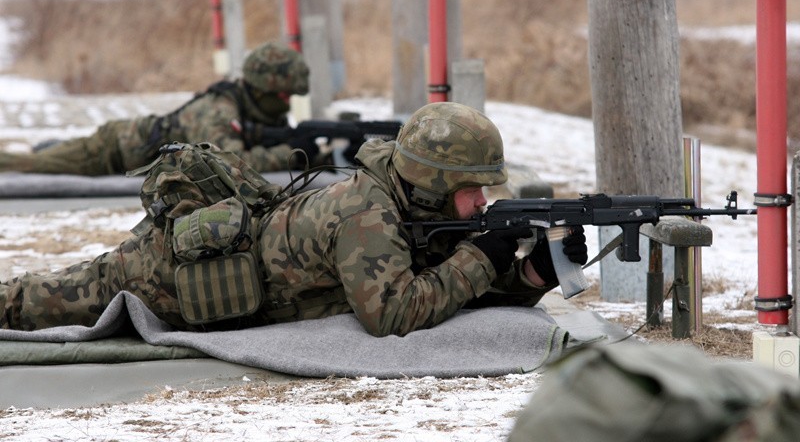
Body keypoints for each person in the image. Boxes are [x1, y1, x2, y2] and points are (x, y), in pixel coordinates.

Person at [0, 102, 588, 337]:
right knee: (39, 300)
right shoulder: (369, 212)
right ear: (436, 182)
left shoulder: (413, 204)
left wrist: (532, 275)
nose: (484, 202)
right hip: (168, 278)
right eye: (474, 189)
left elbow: (443, 285)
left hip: (226, 276)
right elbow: (394, 313)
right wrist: (480, 258)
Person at [0, 41, 317, 175]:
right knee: (33, 164)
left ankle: (50, 147)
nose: (286, 104)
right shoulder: (220, 111)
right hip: (114, 150)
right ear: (263, 91)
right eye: (284, 96)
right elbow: (228, 164)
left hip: (131, 141)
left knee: (50, 152)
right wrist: (288, 154)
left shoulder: (242, 104)